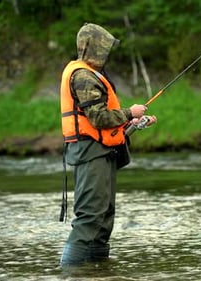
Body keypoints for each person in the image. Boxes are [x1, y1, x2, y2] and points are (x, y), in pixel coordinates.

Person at [59, 23, 156, 265]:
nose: (107, 53)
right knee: (90, 216)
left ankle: (98, 271)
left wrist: (135, 121)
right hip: (90, 152)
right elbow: (99, 118)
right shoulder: (82, 76)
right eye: (104, 47)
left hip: (102, 151)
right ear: (92, 47)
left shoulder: (91, 74)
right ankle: (70, 273)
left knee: (104, 218)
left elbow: (104, 121)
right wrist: (129, 112)